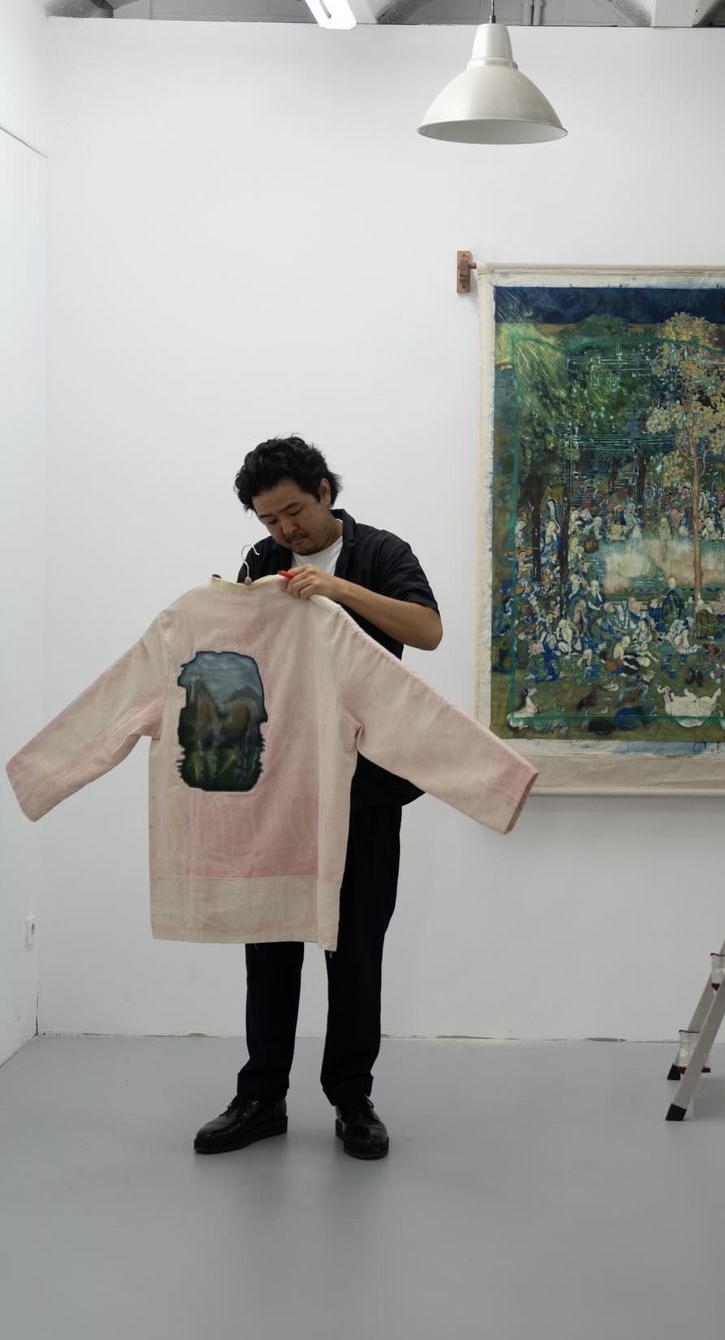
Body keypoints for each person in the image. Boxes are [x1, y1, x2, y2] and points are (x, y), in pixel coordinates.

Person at [194, 436, 442, 1161]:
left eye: (293, 513)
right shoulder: (261, 559)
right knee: (268, 941)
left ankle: (352, 1098)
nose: (285, 531)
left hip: (367, 785)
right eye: (270, 520)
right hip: (280, 784)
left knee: (356, 948)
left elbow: (426, 630)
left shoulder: (382, 552)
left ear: (325, 490)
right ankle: (261, 1097)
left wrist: (338, 590)